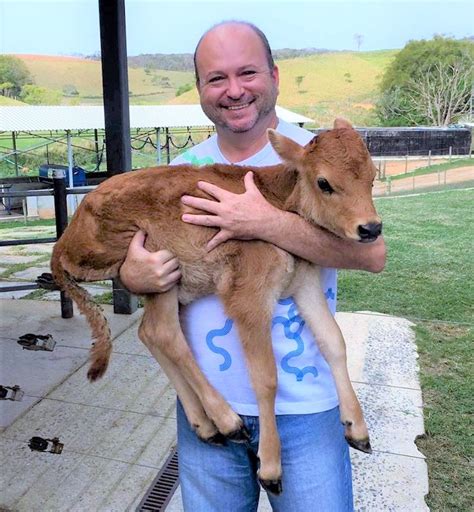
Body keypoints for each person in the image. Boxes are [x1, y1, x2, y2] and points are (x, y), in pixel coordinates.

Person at [120, 20, 386, 512]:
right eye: (216, 78)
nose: (234, 90)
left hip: (306, 408)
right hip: (210, 407)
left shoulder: (321, 153)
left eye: (248, 72)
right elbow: (139, 256)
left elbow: (373, 253)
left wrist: (263, 222)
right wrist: (130, 276)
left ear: (275, 75)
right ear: (199, 89)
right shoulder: (184, 167)